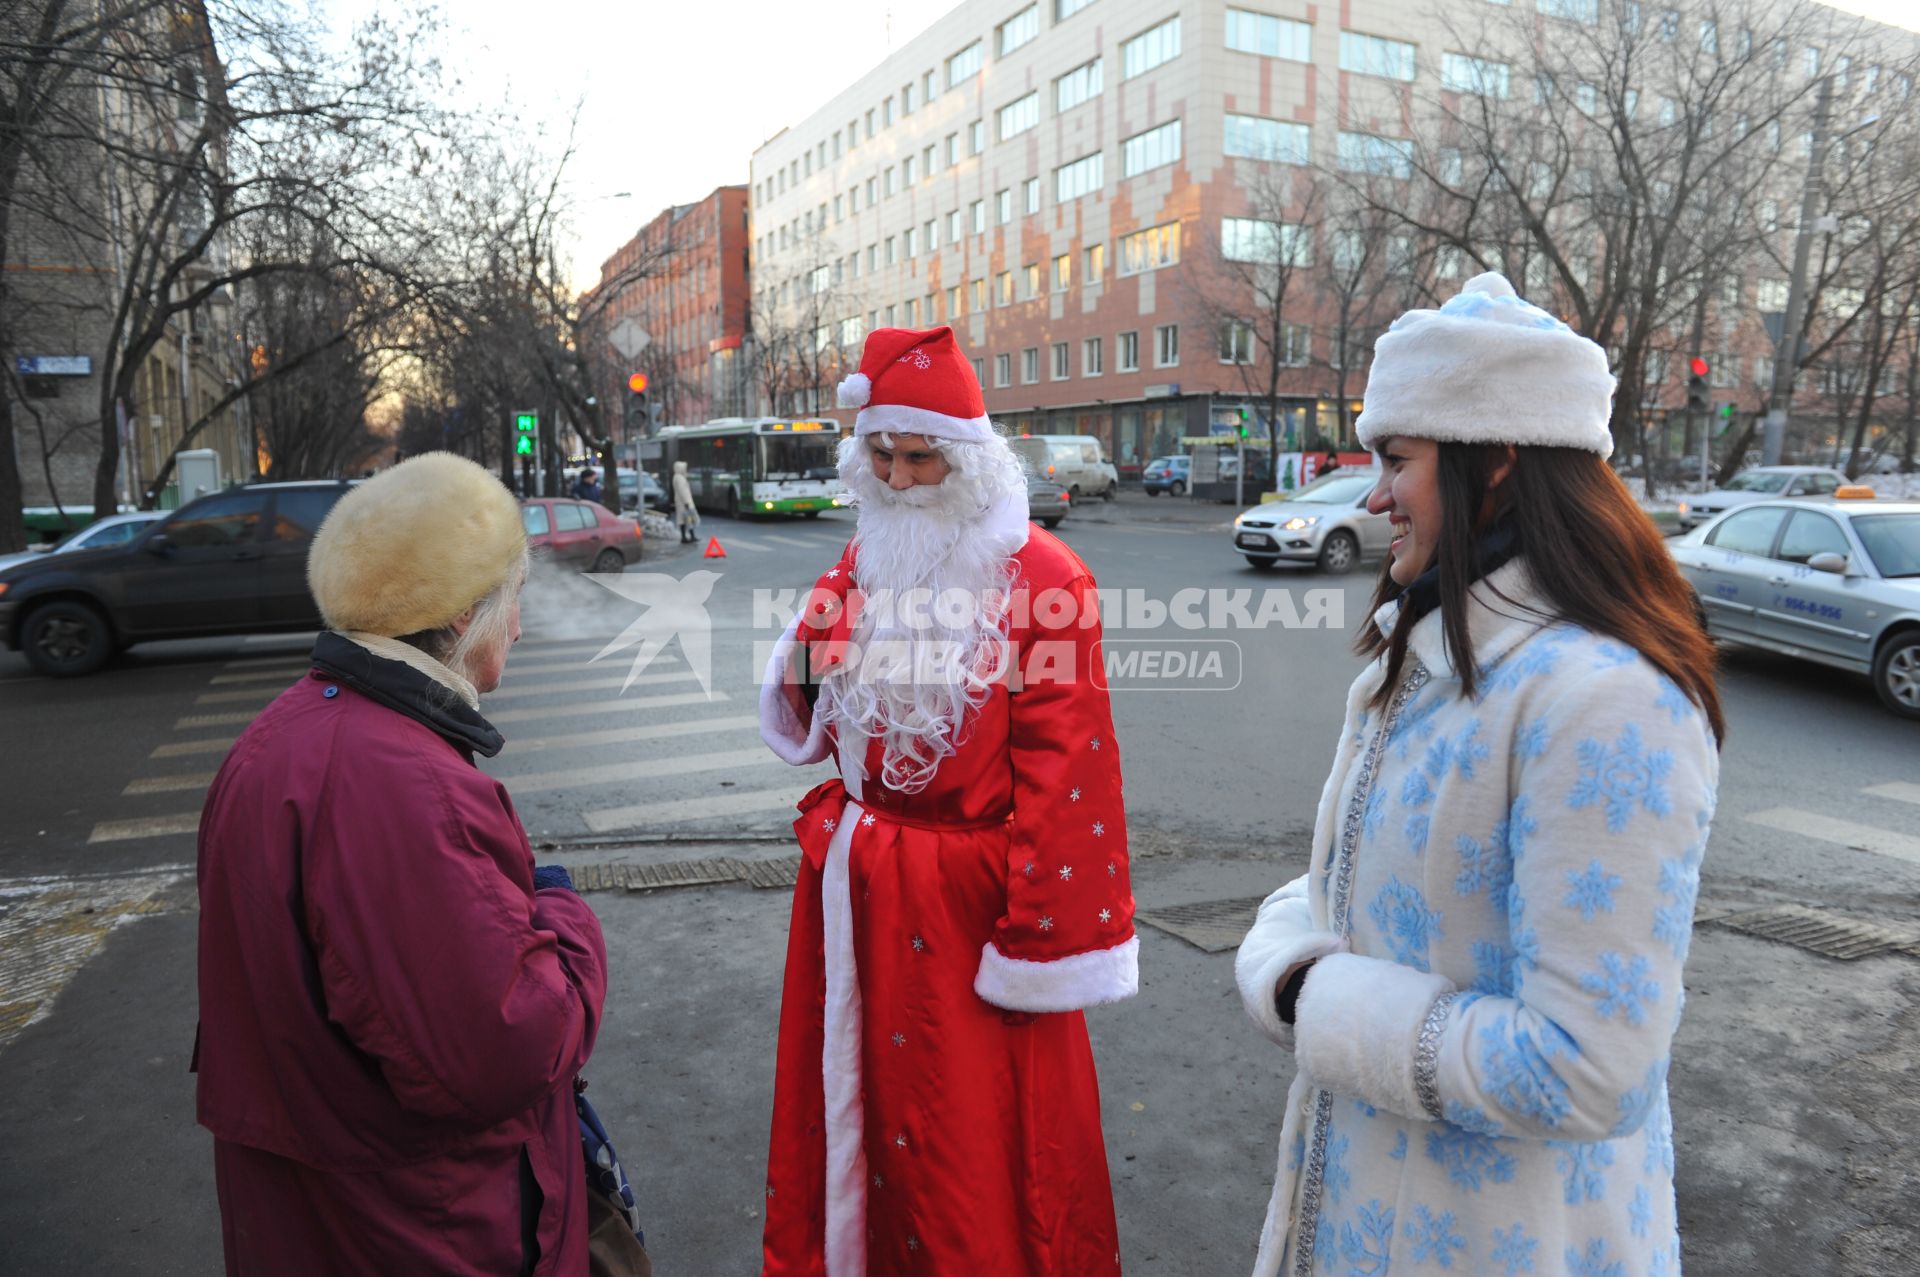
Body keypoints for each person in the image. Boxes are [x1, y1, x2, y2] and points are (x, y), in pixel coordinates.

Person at [1233, 273, 1724, 1277]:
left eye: (1395, 457)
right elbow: (1369, 878)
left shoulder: (1602, 696)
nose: (1372, 494)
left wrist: (1307, 994)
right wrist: (1289, 948)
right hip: (1367, 1206)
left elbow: (1585, 1070)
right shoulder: (1430, 644)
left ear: (1495, 459)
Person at [758, 325, 1138, 1275]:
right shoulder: (865, 556)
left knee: (968, 1134)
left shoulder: (1045, 579)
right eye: (880, 454)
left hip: (970, 908)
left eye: (918, 455)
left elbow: (1070, 775)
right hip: (861, 894)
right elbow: (804, 689)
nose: (895, 476)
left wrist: (1038, 945)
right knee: (857, 1105)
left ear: (964, 457)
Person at [195, 452, 617, 1276]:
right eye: (513, 600)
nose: (521, 627)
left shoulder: (286, 732)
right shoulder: (403, 787)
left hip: (322, 1214)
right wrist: (564, 916)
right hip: (430, 1226)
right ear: (461, 615)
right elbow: (507, 1049)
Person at [671, 459, 699, 543]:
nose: (685, 469)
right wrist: (687, 502)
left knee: (682, 520)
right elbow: (683, 491)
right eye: (684, 468)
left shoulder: (677, 476)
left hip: (680, 502)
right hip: (684, 503)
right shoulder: (680, 478)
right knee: (688, 519)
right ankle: (691, 536)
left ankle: (685, 537)